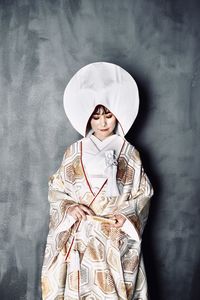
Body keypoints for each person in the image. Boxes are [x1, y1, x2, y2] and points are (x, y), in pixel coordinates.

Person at [41, 62, 154, 300]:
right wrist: (69, 207)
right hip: (81, 235)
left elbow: (143, 193)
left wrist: (126, 217)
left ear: (118, 115)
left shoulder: (129, 153)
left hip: (115, 237)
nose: (103, 123)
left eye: (108, 116)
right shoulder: (74, 151)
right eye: (96, 117)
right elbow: (57, 188)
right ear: (87, 117)